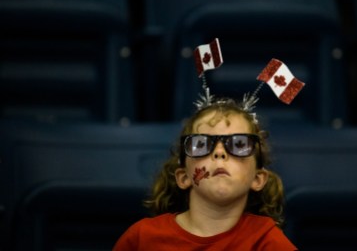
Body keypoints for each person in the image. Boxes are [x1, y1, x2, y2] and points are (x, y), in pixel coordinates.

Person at [113, 98, 298, 250]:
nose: (219, 152)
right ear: (183, 177)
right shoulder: (142, 238)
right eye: (201, 145)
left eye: (239, 144)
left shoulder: (267, 242)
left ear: (258, 179)